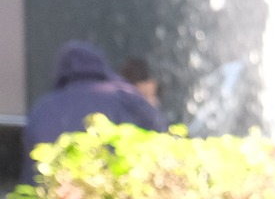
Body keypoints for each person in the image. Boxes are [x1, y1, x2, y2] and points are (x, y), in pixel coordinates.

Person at [21, 41, 166, 183]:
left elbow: (31, 173)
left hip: (59, 195)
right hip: (116, 192)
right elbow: (159, 134)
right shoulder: (125, 96)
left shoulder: (43, 108)